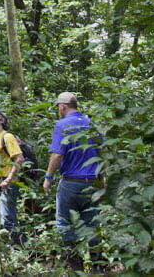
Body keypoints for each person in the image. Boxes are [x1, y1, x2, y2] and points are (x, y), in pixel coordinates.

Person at [41, 92, 101, 248]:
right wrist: (102, 179)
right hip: (92, 183)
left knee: (65, 223)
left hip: (70, 183)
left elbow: (57, 155)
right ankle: (98, 267)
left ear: (62, 107)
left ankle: (74, 265)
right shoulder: (91, 124)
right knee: (93, 224)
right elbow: (102, 153)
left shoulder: (62, 125)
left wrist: (48, 178)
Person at [0, 109, 25, 245]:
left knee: (8, 218)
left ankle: (18, 251)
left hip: (8, 182)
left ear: (1, 120)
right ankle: (15, 250)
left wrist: (9, 179)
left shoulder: (7, 137)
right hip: (0, 182)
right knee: (4, 218)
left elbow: (19, 158)